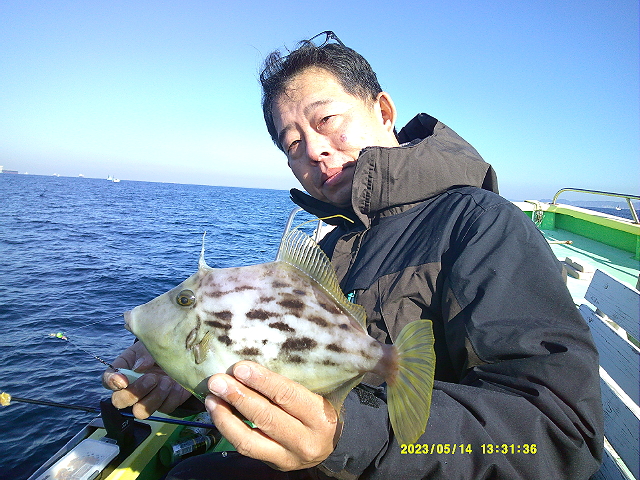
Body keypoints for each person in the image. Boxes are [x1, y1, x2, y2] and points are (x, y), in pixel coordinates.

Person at [103, 31, 603, 479]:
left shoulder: (479, 223)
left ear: (383, 111)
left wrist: (348, 434)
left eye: (327, 120)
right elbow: (284, 363)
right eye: (292, 144)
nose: (314, 150)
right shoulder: (330, 249)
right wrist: (193, 384)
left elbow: (560, 435)